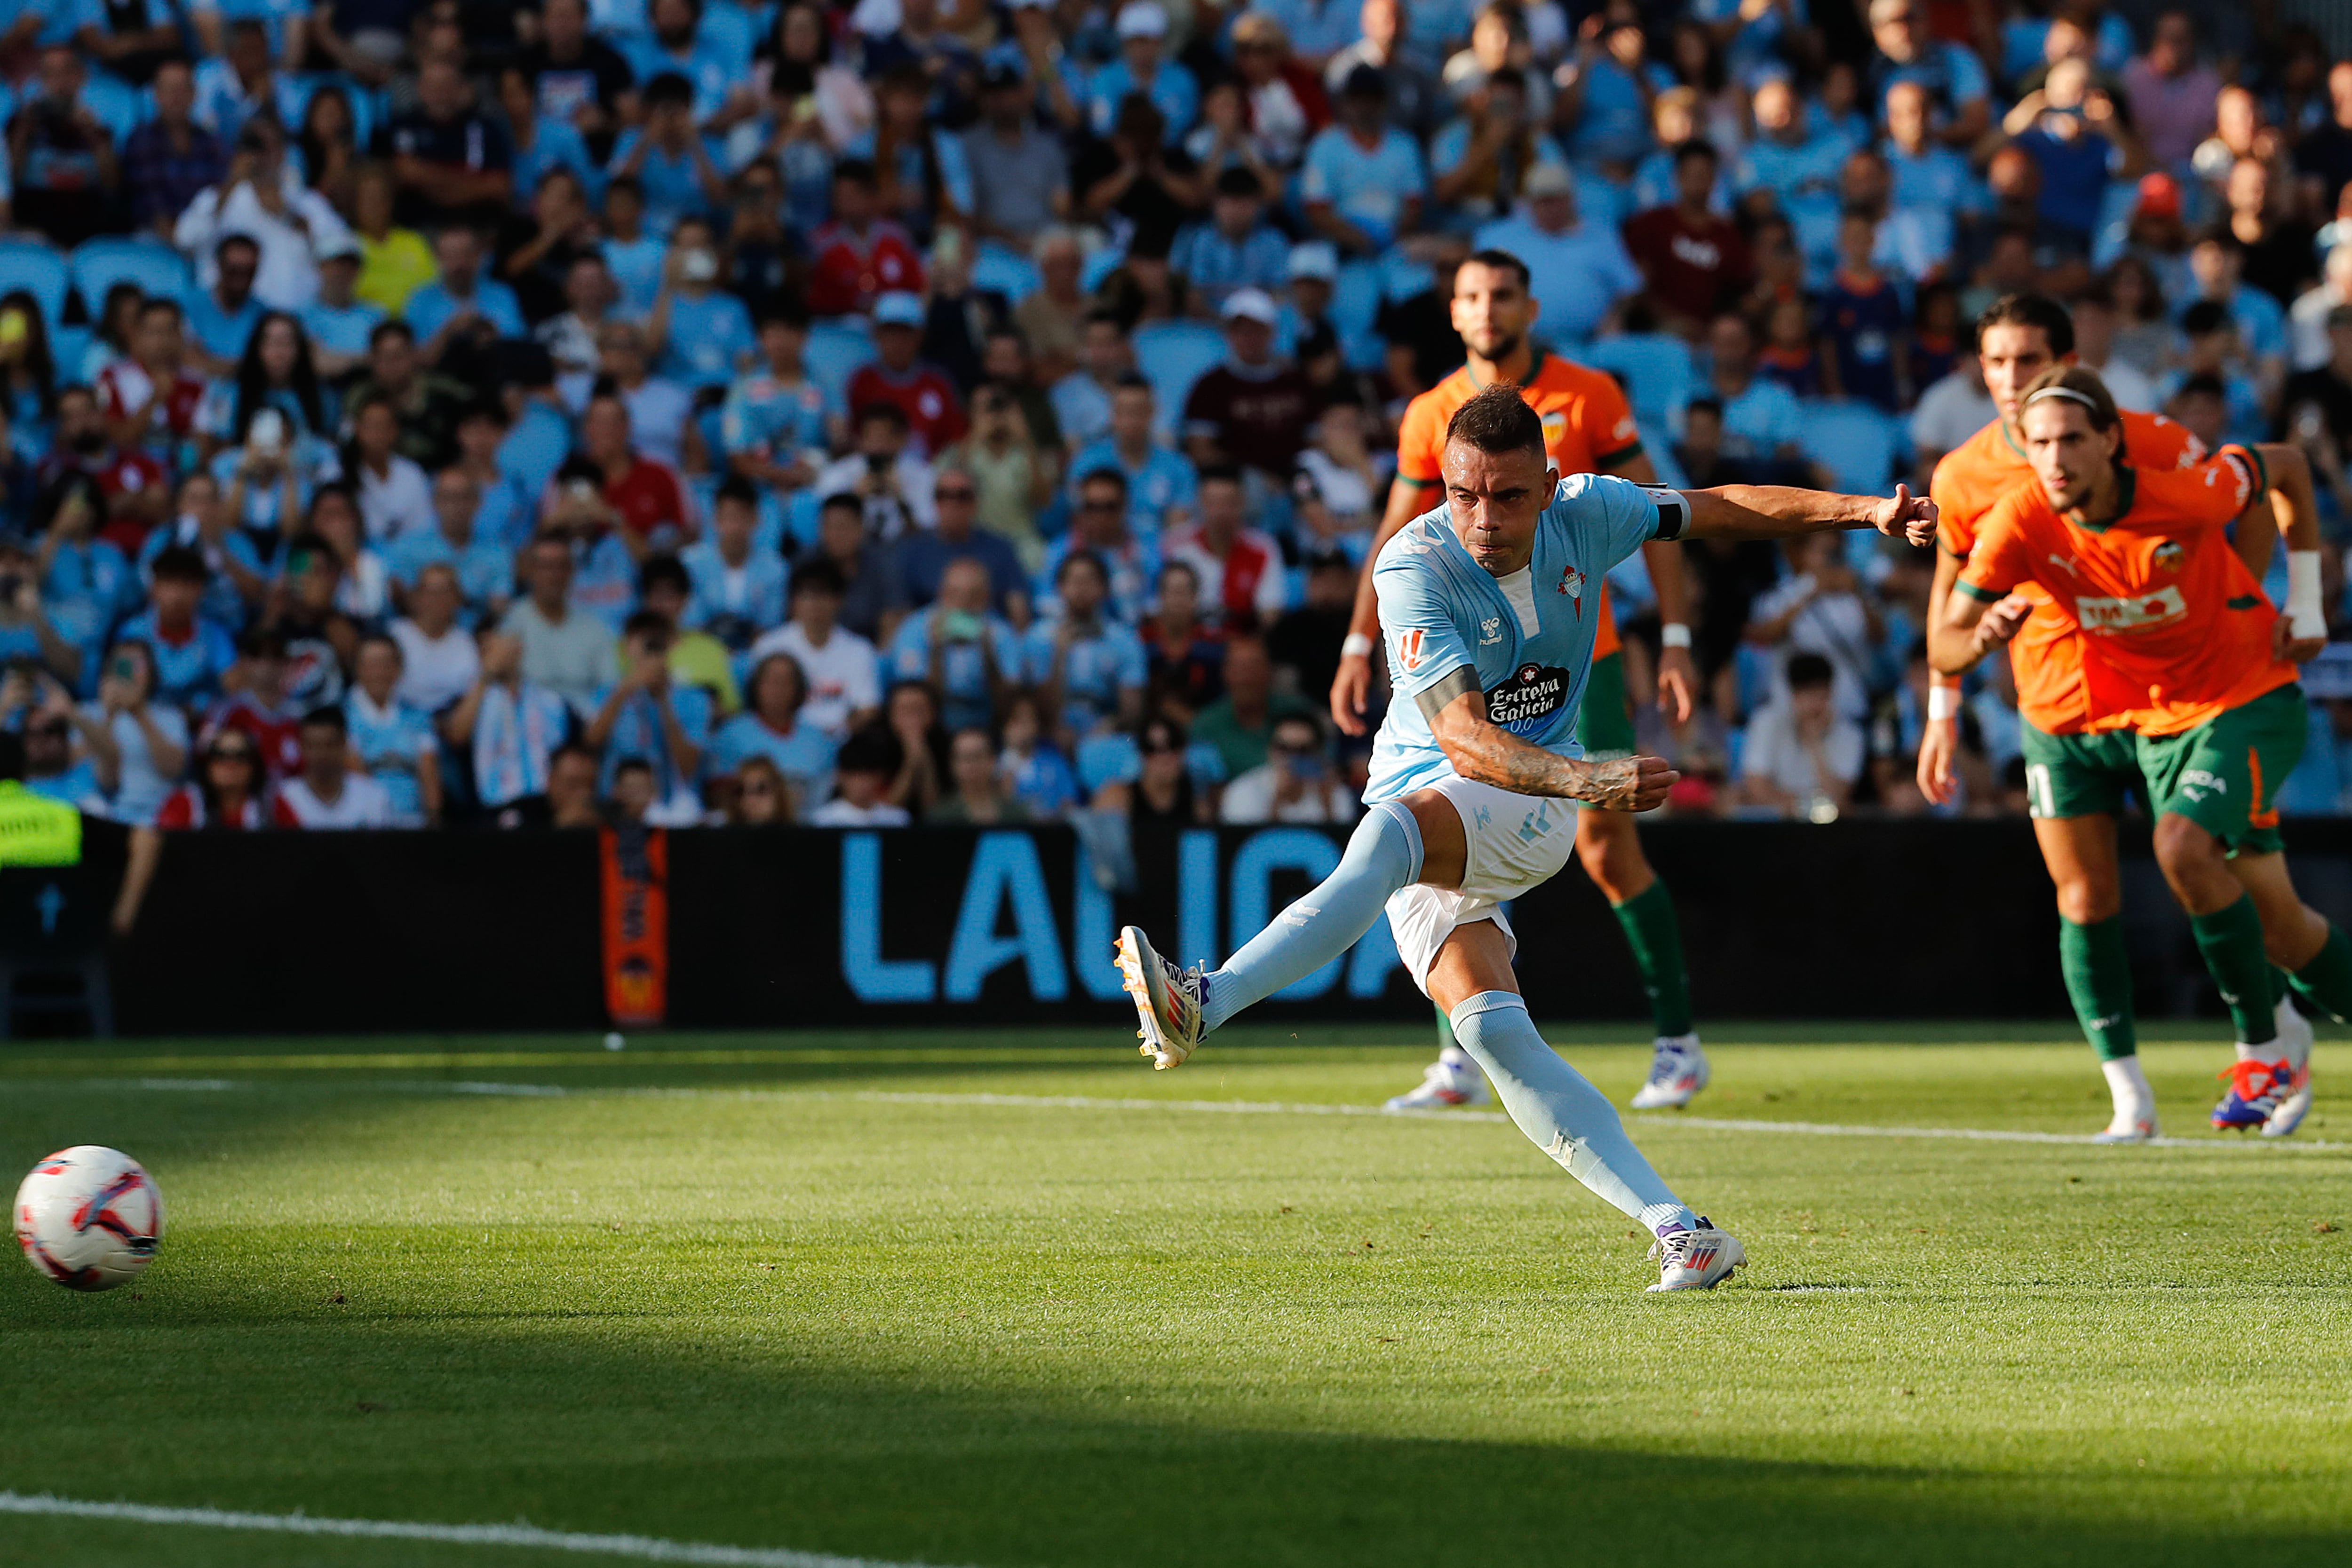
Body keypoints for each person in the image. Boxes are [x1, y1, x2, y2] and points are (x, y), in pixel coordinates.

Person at [1115, 383, 1936, 1291]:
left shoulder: (1592, 511)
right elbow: (1462, 735)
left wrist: (1863, 510)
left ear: (1548, 486)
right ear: (1444, 483)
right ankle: (1682, 1229)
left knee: (1394, 833)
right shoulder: (1412, 563)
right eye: (1464, 493)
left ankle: (1209, 997)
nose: (1484, 517)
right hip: (1475, 791)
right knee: (1494, 1033)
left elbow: (1712, 510)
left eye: (1508, 496)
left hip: (1530, 803)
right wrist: (1594, 779)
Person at [1329, 248, 1709, 1114]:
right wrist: (1360, 642)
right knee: (1437, 812)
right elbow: (1398, 531)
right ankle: (1459, 1055)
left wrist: (1679, 637)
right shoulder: (1432, 413)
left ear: (1529, 306)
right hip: (1471, 658)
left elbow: (1664, 511)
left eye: (1502, 294)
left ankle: (1678, 1040)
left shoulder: (1591, 393)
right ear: (1453, 313)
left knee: (1607, 847)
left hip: (1585, 658)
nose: (1488, 309)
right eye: (1471, 296)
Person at [1937, 365, 2349, 1141]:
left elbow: (2287, 466)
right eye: (2038, 444)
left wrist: (2298, 601)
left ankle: (2260, 1051)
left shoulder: (2189, 491)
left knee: (2179, 844)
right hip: (2159, 722)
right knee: (2287, 930)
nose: (2054, 459)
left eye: (2071, 441)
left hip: (2247, 698)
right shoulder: (2020, 518)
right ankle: (2273, 1040)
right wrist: (1976, 640)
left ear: (2111, 441)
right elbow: (1945, 638)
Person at [750, 559, 881, 742]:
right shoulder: (769, 646)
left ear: (839, 600)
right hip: (780, 741)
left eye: (823, 595)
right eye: (806, 596)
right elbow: (758, 707)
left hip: (841, 743)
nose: (815, 604)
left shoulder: (860, 650)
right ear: (793, 602)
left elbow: (868, 710)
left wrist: (834, 736)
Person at [448, 628, 574, 810]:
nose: (497, 656)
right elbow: (457, 736)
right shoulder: (471, 699)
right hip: (497, 806)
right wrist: (487, 674)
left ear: (518, 648)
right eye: (488, 650)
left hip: (546, 804)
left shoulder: (550, 701)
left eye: (501, 647)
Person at [1731, 651, 1863, 817]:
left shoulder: (1850, 734)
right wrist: (1806, 808)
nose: (1815, 705)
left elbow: (1839, 798)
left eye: (1822, 696)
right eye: (1808, 695)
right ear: (1793, 695)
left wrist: (1814, 743)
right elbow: (1756, 788)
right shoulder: (1767, 722)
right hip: (1776, 825)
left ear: (1831, 693)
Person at [708, 651, 835, 817]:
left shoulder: (818, 739)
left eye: (786, 681)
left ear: (799, 690)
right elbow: (718, 794)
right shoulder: (731, 735)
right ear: (756, 686)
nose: (777, 688)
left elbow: (827, 797)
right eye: (770, 680)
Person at [344, 633, 442, 827]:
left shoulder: (418, 718)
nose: (379, 672)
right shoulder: (345, 718)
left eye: (386, 664)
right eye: (371, 665)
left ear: (399, 669)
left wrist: (434, 824)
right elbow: (357, 775)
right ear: (358, 670)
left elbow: (429, 776)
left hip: (415, 823)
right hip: (367, 826)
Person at [1219, 709, 1357, 824]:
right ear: (1271, 750)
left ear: (1318, 752)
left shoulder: (1335, 792)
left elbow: (1344, 845)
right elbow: (1241, 844)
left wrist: (1327, 805)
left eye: (1303, 750)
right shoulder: (1243, 791)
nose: (1292, 758)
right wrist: (1277, 802)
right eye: (1284, 749)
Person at [272, 705, 397, 827]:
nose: (321, 754)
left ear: (344, 745)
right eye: (313, 746)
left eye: (329, 745)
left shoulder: (374, 797)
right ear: (301, 747)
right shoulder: (288, 797)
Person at [154, 726, 271, 829]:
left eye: (241, 756)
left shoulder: (271, 806)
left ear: (254, 766)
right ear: (207, 765)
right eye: (220, 755)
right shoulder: (186, 802)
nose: (230, 764)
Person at [807, 725, 912, 826]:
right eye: (856, 776)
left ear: (880, 777)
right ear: (840, 776)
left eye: (869, 776)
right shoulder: (822, 821)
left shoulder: (897, 819)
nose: (863, 783)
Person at [928, 725, 1028, 824]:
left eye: (978, 756)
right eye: (965, 758)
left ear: (992, 761)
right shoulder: (940, 817)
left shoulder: (1016, 814)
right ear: (953, 765)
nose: (972, 764)